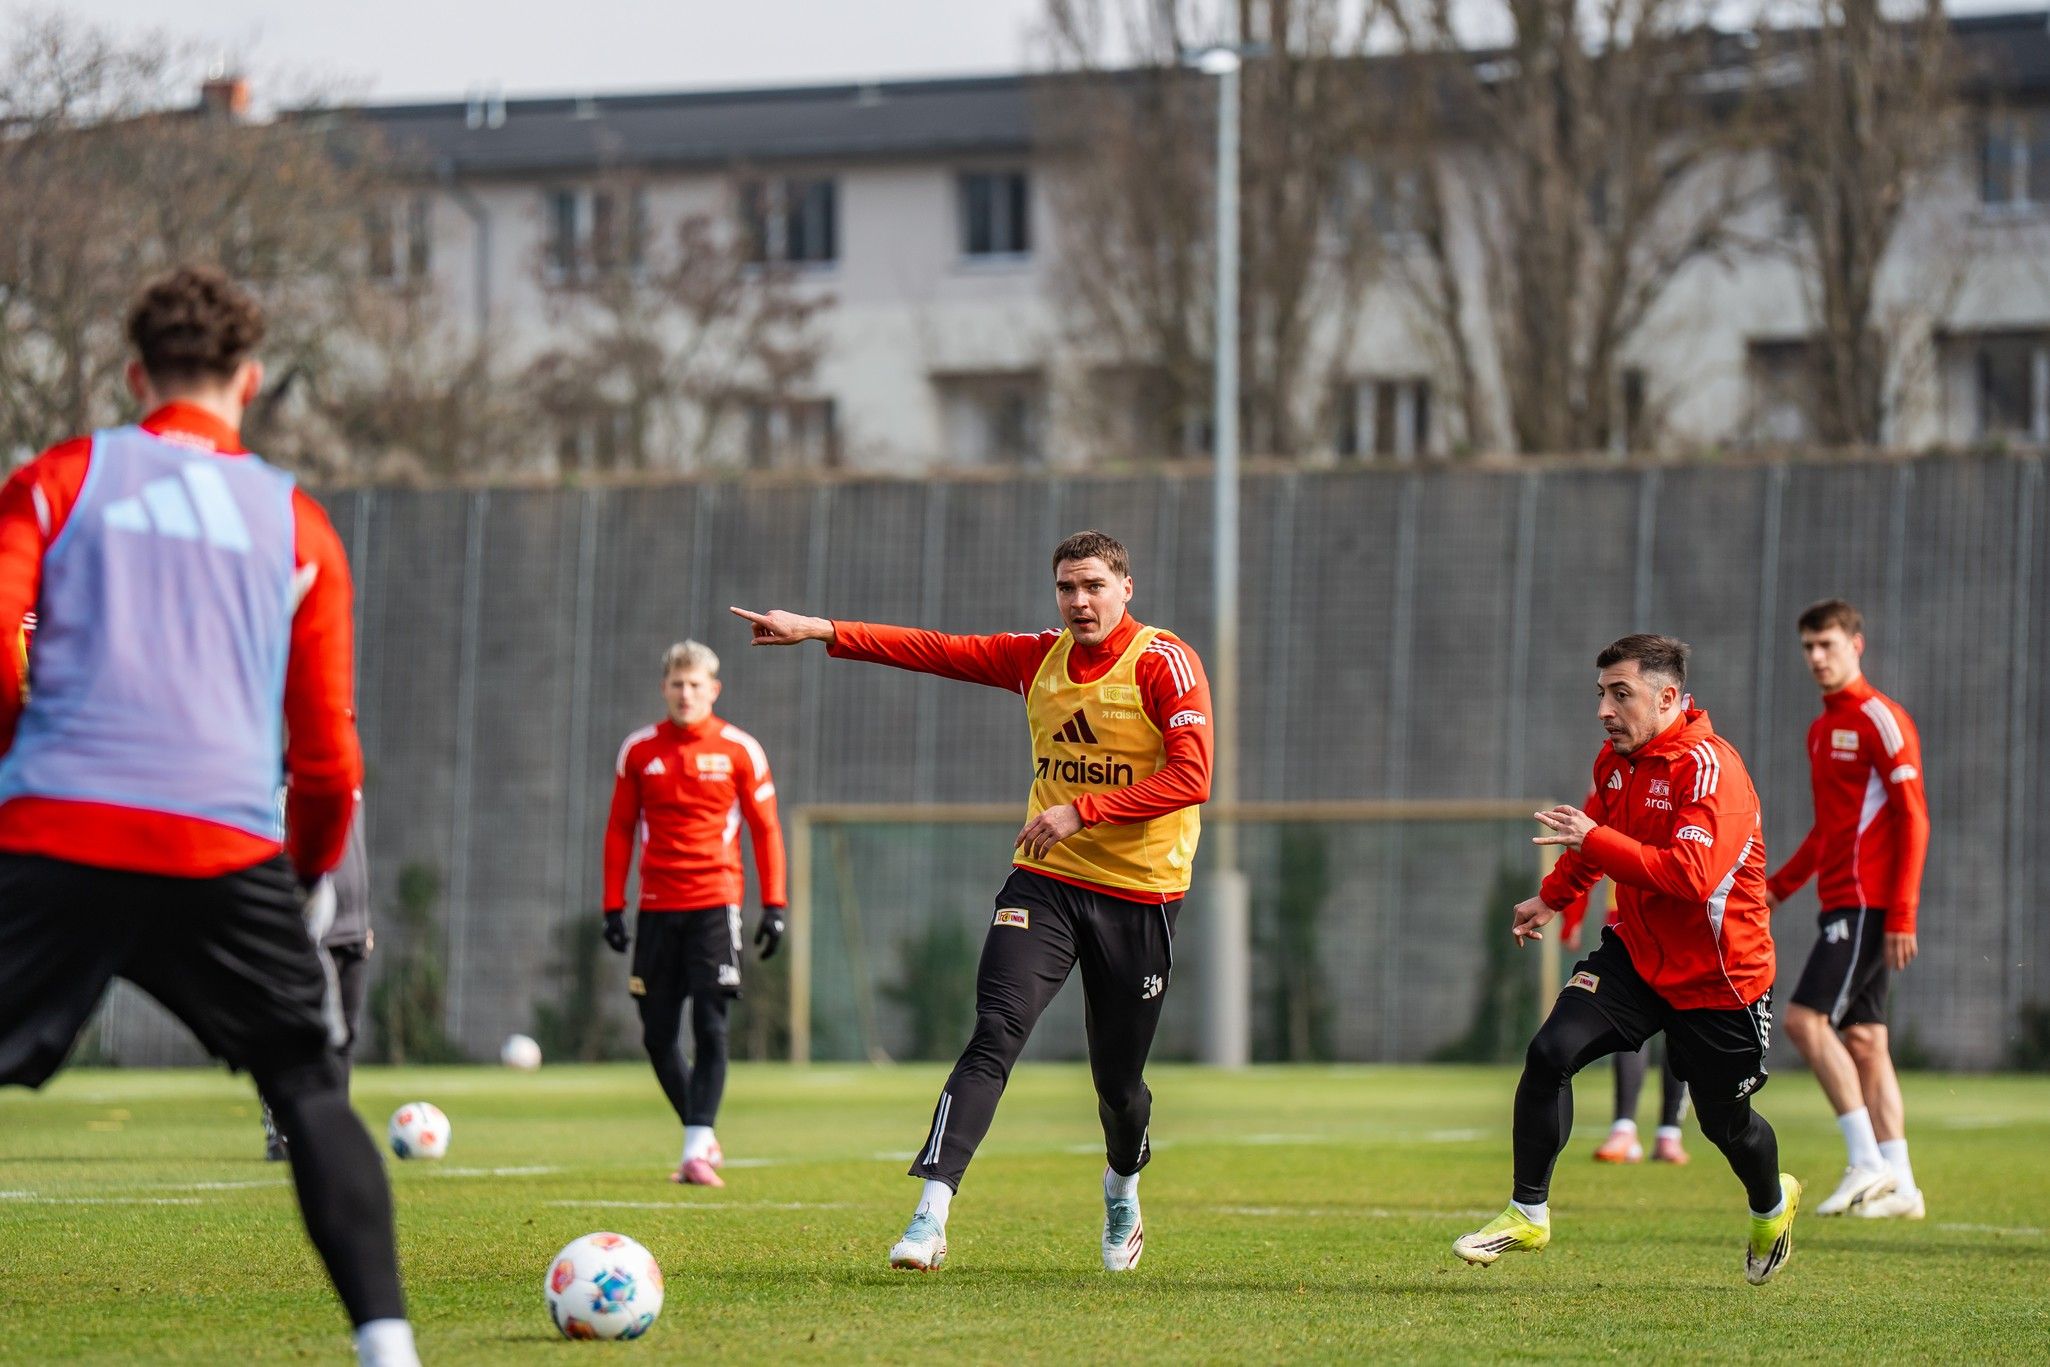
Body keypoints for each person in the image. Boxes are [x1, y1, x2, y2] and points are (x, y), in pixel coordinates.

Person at [0, 267, 417, 1366]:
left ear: (135, 374)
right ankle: (388, 1346)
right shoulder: (296, 521)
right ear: (251, 378)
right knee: (309, 1084)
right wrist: (310, 869)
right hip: (223, 845)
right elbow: (328, 746)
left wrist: (21, 756)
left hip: (56, 831)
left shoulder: (56, 479)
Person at [732, 528, 1212, 1273]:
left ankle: (1123, 1185)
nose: (1079, 601)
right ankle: (930, 1215)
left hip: (1139, 896)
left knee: (1118, 1085)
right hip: (1046, 882)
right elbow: (935, 648)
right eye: (1065, 587)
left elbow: (1192, 777)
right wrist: (821, 629)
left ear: (1126, 587)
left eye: (1092, 585)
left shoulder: (1164, 662)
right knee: (996, 1030)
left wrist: (1082, 809)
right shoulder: (1037, 657)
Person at [1452, 634, 1799, 1286]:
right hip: (1636, 955)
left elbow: (1691, 876)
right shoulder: (1617, 763)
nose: (1605, 710)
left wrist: (1595, 840)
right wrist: (1551, 898)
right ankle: (1528, 1211)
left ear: (1668, 696)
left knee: (1730, 1128)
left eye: (1621, 694)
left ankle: (1770, 1204)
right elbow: (1592, 836)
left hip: (1721, 980)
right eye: (1601, 694)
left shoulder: (1710, 769)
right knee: (1550, 1050)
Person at [1765, 599, 1930, 1220]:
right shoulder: (1819, 729)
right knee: (1864, 1038)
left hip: (1868, 905)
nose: (1816, 658)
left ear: (1856, 645)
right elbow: (1829, 831)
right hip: (1839, 901)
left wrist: (1905, 912)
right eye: (1808, 647)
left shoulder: (1881, 720)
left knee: (1806, 1023)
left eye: (1827, 644)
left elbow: (1915, 818)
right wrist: (1781, 886)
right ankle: (1905, 1186)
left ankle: (1866, 1160)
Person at [603, 640, 786, 1188]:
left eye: (696, 684)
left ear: (714, 689)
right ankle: (700, 1135)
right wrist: (613, 905)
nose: (686, 694)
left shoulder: (740, 749)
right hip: (657, 908)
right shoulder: (639, 751)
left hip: (715, 904)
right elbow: (618, 829)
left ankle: (693, 1149)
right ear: (665, 688)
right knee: (658, 1036)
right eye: (677, 684)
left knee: (710, 1025)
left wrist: (774, 904)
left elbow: (765, 828)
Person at [265, 806, 373, 1161]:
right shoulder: (292, 775)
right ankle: (284, 1132)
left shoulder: (349, 774)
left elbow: (353, 854)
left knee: (345, 1040)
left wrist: (363, 921)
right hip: (314, 926)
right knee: (302, 1034)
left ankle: (335, 1135)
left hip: (353, 929)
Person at [1559, 879, 1690, 1164]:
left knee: (1680, 1021)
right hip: (1626, 919)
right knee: (1626, 1018)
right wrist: (1572, 915)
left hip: (1683, 917)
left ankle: (1669, 1132)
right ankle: (1624, 1129)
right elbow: (1588, 847)